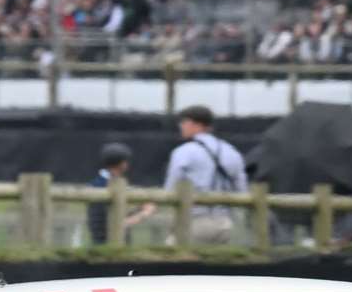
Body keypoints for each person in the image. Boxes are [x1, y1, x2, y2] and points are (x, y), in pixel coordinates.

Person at [163, 104, 247, 243]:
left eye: (183, 122)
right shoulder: (232, 152)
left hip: (194, 221)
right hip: (225, 223)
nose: (181, 126)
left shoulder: (183, 152)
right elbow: (241, 190)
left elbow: (170, 189)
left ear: (195, 124)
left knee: (170, 258)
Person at [86, 142, 156, 245]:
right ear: (122, 164)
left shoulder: (97, 182)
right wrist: (145, 213)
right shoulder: (104, 185)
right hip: (108, 244)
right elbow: (118, 223)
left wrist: (138, 209)